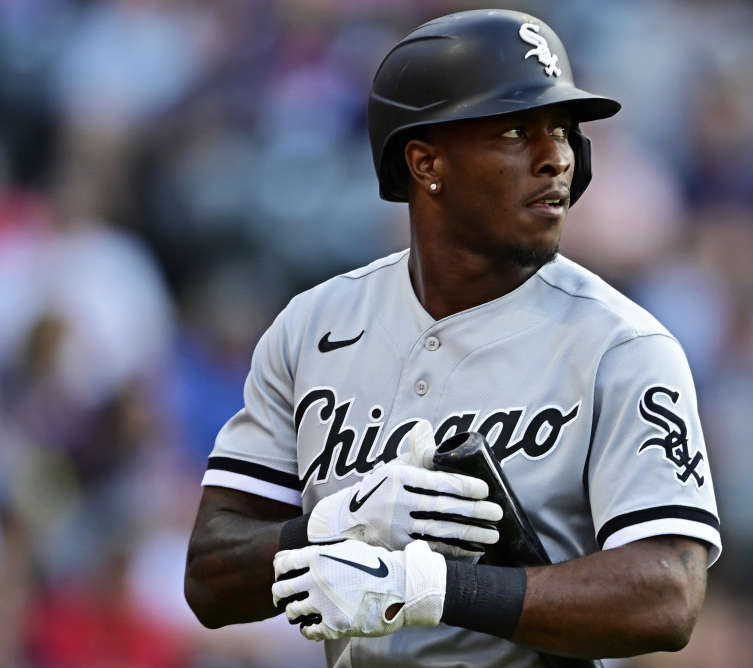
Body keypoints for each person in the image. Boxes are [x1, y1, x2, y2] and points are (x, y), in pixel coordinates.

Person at [184, 9, 721, 667]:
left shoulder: (624, 346)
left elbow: (667, 596)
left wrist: (434, 588)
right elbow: (209, 578)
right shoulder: (310, 328)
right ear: (426, 161)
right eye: (516, 131)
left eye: (561, 132)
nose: (554, 157)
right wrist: (333, 526)